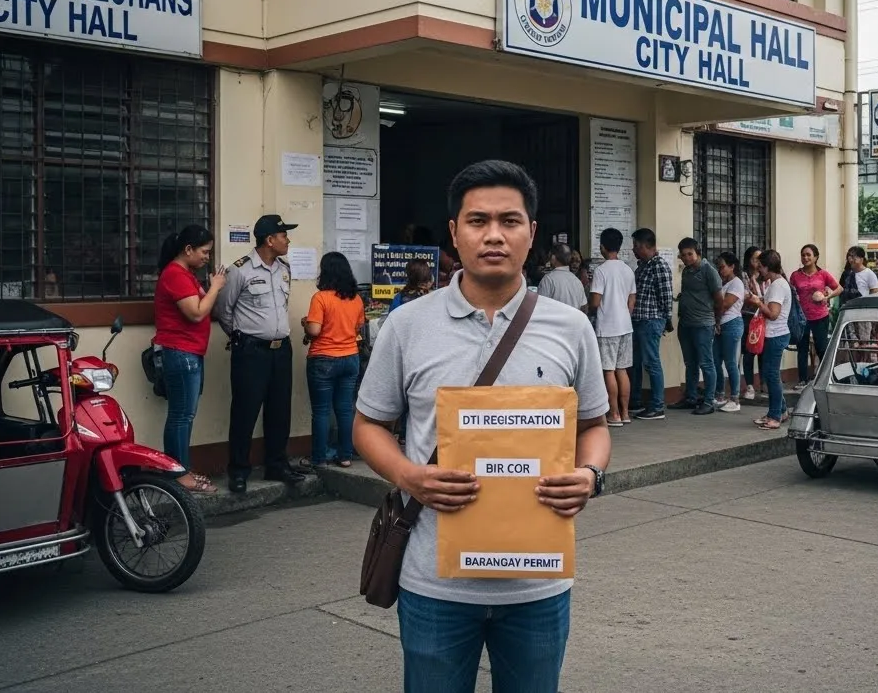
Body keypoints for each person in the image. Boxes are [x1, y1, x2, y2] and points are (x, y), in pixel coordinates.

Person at [354, 159, 611, 693]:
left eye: (509, 221)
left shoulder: (571, 327)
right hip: (434, 586)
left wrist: (589, 475)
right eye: (477, 221)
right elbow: (368, 425)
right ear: (454, 232)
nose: (494, 235)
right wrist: (408, 476)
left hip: (537, 588)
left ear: (532, 233)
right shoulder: (407, 325)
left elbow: (595, 426)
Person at [214, 214, 305, 494]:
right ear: (269, 240)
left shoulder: (284, 268)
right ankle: (239, 470)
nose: (287, 240)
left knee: (280, 410)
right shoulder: (239, 271)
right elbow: (223, 312)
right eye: (283, 235)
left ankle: (276, 464)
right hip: (251, 351)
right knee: (245, 410)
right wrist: (242, 337)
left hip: (281, 351)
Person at [153, 224, 226, 494]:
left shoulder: (187, 275)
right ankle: (178, 473)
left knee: (186, 414)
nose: (207, 257)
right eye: (204, 251)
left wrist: (210, 290)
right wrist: (216, 286)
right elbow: (196, 313)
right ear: (188, 249)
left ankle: (182, 468)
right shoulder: (175, 274)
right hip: (181, 353)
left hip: (191, 352)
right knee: (181, 416)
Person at [300, 252, 365, 472]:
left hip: (324, 359)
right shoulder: (355, 298)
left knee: (321, 410)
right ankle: (345, 456)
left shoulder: (321, 298)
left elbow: (314, 329)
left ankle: (320, 458)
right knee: (345, 409)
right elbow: (357, 328)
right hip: (350, 358)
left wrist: (305, 323)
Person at [590, 228, 637, 426]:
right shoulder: (627, 269)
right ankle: (626, 413)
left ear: (602, 247)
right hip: (625, 326)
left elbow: (595, 302)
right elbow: (631, 299)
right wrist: (625, 313)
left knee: (608, 371)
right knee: (622, 370)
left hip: (607, 328)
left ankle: (614, 414)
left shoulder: (601, 271)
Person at [672, 237, 724, 415]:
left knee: (706, 363)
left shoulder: (709, 271)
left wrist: (717, 321)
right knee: (690, 363)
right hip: (686, 323)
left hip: (703, 324)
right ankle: (691, 397)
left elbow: (719, 299)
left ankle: (709, 401)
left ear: (698, 253)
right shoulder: (686, 271)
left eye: (690, 254)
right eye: (683, 255)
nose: (686, 258)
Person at [744, 250, 793, 430]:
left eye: (760, 268)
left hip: (776, 334)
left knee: (771, 376)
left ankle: (774, 416)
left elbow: (773, 314)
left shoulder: (778, 285)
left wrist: (758, 303)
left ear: (766, 267)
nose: (759, 272)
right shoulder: (777, 284)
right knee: (771, 374)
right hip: (775, 334)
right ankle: (781, 410)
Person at [629, 228, 672, 421]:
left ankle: (657, 406)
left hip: (651, 320)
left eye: (637, 246)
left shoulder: (659, 266)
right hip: (638, 321)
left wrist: (664, 320)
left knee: (652, 363)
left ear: (648, 246)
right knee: (636, 363)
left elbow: (666, 297)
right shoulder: (642, 266)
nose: (634, 249)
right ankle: (636, 401)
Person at [790, 244, 842, 389]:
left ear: (816, 257)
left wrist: (828, 296)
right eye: (803, 255)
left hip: (820, 316)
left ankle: (825, 378)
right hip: (801, 318)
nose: (805, 258)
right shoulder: (795, 275)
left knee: (821, 348)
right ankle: (802, 380)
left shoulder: (823, 274)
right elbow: (791, 293)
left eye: (808, 255)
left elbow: (839, 288)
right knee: (802, 348)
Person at [712, 252, 747, 413]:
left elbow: (725, 304)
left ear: (732, 266)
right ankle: (720, 395)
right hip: (720, 324)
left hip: (732, 324)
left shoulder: (736, 283)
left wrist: (715, 314)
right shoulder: (723, 282)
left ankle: (735, 397)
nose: (720, 270)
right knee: (715, 360)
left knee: (730, 362)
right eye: (719, 267)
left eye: (723, 267)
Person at [740, 246, 766, 401]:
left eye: (760, 258)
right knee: (749, 352)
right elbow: (748, 296)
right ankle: (749, 385)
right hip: (748, 317)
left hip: (763, 317)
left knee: (763, 351)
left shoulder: (766, 276)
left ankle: (763, 382)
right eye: (755, 258)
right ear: (749, 260)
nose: (758, 262)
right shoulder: (744, 276)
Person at [536, 243, 588, 312]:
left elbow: (540, 306)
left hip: (554, 322)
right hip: (574, 321)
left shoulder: (548, 279)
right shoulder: (576, 281)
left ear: (553, 258)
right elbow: (584, 307)